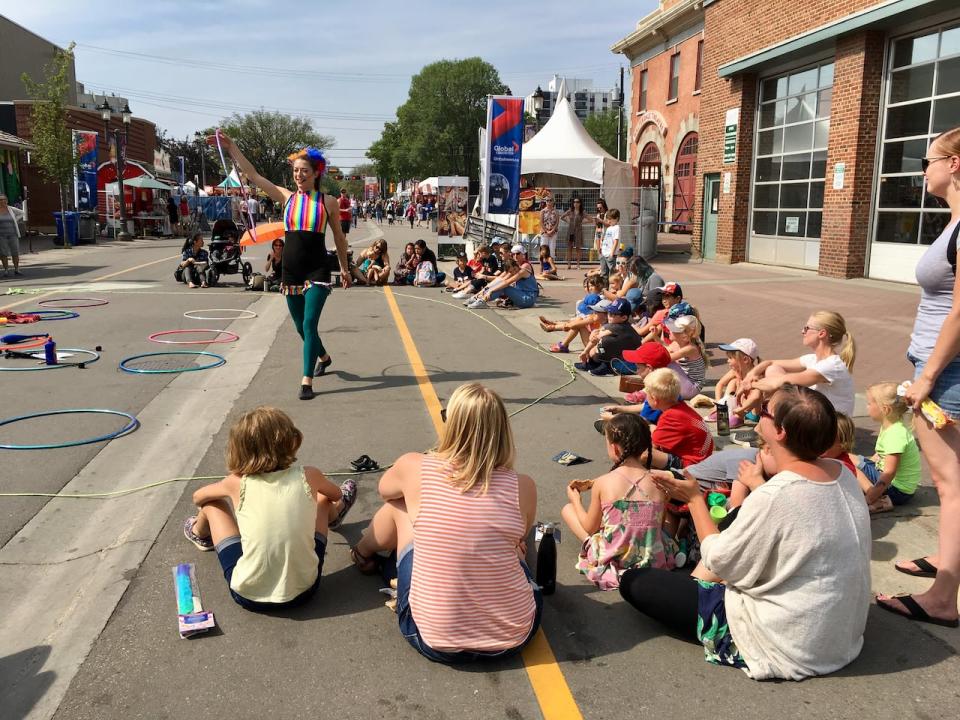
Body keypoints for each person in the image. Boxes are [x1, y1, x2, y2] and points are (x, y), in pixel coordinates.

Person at [620, 385, 871, 680]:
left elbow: (719, 560)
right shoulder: (842, 474)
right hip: (840, 632)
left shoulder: (777, 494)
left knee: (636, 582)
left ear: (780, 432)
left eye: (764, 410)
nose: (758, 412)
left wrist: (694, 499)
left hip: (790, 642)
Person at [350, 383, 542, 663]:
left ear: (451, 424)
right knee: (509, 545)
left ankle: (363, 552)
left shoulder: (414, 465)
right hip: (513, 637)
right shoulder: (522, 485)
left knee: (401, 506)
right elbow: (521, 534)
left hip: (434, 638)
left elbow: (385, 491)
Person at [878, 128, 960, 627]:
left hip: (947, 374)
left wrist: (928, 376)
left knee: (950, 484)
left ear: (955, 165)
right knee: (952, 480)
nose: (921, 170)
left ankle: (942, 597)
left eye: (928, 161)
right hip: (940, 368)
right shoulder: (954, 223)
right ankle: (948, 557)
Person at [215, 133, 351, 401]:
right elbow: (253, 175)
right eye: (296, 171)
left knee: (310, 324)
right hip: (291, 271)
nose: (298, 176)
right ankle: (323, 356)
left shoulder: (328, 202)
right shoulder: (286, 197)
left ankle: (306, 381)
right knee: (301, 327)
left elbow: (339, 237)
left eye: (304, 171)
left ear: (316, 173)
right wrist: (232, 147)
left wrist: (345, 269)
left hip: (317, 270)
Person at [182, 407, 357, 611]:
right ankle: (333, 518)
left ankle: (199, 533)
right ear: (292, 441)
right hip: (305, 591)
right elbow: (335, 495)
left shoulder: (236, 482)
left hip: (248, 596)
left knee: (213, 504)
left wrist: (227, 487)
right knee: (323, 500)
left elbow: (198, 497)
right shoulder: (309, 475)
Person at [562, 414, 675, 590]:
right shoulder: (659, 481)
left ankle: (591, 546)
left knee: (568, 510)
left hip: (616, 557)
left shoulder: (604, 482)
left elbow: (589, 527)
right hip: (651, 557)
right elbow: (658, 524)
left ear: (614, 449)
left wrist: (576, 500)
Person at [739, 311, 856, 416]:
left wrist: (750, 385)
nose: (802, 331)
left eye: (806, 328)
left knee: (782, 393)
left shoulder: (831, 366)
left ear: (821, 333)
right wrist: (751, 375)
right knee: (772, 369)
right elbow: (770, 362)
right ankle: (771, 416)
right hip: (821, 417)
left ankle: (772, 418)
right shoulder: (813, 359)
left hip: (833, 428)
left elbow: (780, 383)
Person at [858, 382, 921, 514]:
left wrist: (870, 498)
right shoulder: (889, 426)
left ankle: (876, 500)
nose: (867, 406)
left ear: (885, 409)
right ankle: (881, 499)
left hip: (898, 490)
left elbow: (889, 472)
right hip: (895, 485)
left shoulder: (895, 434)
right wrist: (863, 464)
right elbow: (879, 456)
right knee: (853, 462)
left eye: (869, 403)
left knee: (850, 463)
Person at [574, 298, 641, 376]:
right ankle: (594, 363)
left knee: (605, 341)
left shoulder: (620, 327)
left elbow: (597, 337)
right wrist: (586, 351)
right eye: (609, 313)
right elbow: (597, 334)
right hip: (621, 354)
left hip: (628, 360)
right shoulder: (613, 324)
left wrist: (587, 349)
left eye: (613, 315)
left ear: (624, 318)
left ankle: (607, 366)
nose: (609, 316)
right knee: (597, 346)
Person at [465, 245, 538, 309]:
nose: (515, 256)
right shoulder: (515, 266)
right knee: (500, 283)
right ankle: (477, 298)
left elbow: (507, 282)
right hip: (521, 294)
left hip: (528, 299)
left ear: (523, 254)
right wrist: (483, 291)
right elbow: (500, 279)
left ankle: (482, 301)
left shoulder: (524, 268)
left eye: (518, 253)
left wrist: (491, 290)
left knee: (504, 287)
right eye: (513, 254)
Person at [709, 338, 761, 428]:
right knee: (733, 382)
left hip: (753, 412)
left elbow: (756, 397)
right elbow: (720, 384)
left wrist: (741, 410)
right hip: (737, 406)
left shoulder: (756, 375)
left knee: (750, 388)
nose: (727, 360)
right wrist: (718, 403)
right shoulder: (735, 371)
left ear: (745, 360)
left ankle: (738, 417)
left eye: (730, 358)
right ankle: (723, 409)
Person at [560, 197, 586, 269]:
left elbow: (590, 219)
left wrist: (582, 222)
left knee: (578, 248)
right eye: (574, 202)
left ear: (580, 203)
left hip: (578, 231)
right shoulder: (570, 211)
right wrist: (568, 221)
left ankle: (578, 265)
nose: (576, 203)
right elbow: (562, 217)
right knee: (569, 247)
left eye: (577, 202)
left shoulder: (582, 212)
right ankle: (569, 264)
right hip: (571, 231)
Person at [0, 194, 22, 277]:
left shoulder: (11, 209)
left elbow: (22, 213)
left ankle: (17, 269)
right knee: (3, 253)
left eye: (4, 199)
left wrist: (15, 220)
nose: (2, 201)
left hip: (13, 234)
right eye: (1, 200)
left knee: (15, 252)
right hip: (1, 236)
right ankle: (6, 270)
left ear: (7, 200)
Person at [599, 209, 621, 277]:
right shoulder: (609, 228)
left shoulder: (616, 228)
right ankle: (605, 287)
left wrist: (611, 253)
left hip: (610, 254)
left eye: (610, 219)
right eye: (607, 219)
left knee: (612, 273)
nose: (608, 221)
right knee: (603, 272)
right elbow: (606, 239)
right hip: (604, 253)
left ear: (616, 218)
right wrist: (601, 246)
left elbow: (615, 241)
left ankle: (613, 286)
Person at [592, 198, 608, 263]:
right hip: (599, 234)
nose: (599, 209)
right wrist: (595, 222)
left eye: (600, 208)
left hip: (606, 235)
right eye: (598, 208)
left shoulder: (608, 214)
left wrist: (600, 220)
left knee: (605, 251)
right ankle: (601, 265)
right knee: (599, 251)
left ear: (604, 206)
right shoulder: (598, 215)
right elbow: (597, 226)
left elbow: (608, 224)